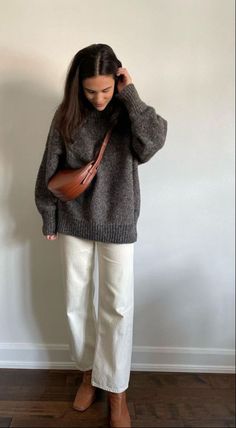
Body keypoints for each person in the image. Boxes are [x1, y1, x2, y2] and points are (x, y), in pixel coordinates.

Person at [34, 43, 168, 428]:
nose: (98, 98)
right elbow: (49, 169)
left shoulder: (129, 113)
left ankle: (116, 389)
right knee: (76, 303)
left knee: (117, 306)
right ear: (78, 86)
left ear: (118, 80)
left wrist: (130, 95)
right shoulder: (66, 116)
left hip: (118, 221)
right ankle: (87, 372)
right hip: (74, 221)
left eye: (106, 89)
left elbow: (154, 141)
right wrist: (48, 217)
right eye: (91, 91)